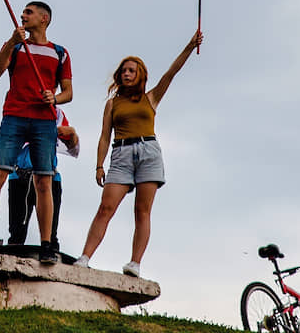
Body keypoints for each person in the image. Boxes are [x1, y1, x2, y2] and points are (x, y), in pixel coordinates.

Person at [73, 31, 204, 277]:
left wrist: (189, 47)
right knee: (105, 207)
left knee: (142, 211)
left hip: (148, 151)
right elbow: (104, 135)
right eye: (124, 70)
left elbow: (171, 73)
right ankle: (85, 257)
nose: (126, 73)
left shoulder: (150, 97)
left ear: (140, 74)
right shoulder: (113, 103)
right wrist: (99, 165)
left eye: (131, 70)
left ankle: (135, 263)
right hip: (121, 153)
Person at [0, 1, 73, 264]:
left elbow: (68, 93)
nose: (23, 15)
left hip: (43, 121)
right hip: (14, 117)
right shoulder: (15, 46)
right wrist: (10, 42)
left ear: (44, 18)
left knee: (44, 181)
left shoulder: (59, 52)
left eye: (29, 12)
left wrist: (55, 98)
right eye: (23, 12)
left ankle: (47, 244)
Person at [7, 107, 79, 252]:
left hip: (49, 178)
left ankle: (52, 261)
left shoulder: (56, 113)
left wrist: (72, 133)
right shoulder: (18, 108)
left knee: (51, 235)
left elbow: (72, 147)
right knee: (16, 233)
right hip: (20, 177)